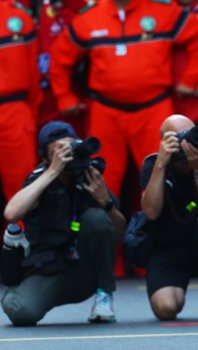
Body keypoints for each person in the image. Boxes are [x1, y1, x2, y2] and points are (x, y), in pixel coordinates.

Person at [49, 0, 198, 201]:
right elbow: (60, 58)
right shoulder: (89, 17)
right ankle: (109, 238)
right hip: (107, 112)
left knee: (161, 177)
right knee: (101, 178)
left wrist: (191, 79)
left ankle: (158, 239)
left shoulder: (161, 10)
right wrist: (65, 97)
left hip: (154, 109)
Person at [2, 122, 125, 325]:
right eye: (58, 152)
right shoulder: (40, 178)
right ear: (45, 158)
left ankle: (105, 296)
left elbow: (120, 233)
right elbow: (12, 213)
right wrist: (52, 171)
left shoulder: (88, 175)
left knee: (97, 217)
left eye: (70, 148)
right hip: (49, 271)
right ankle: (20, 292)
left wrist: (107, 203)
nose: (66, 156)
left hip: (85, 272)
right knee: (21, 311)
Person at [139, 115, 198, 320]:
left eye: (191, 133)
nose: (187, 141)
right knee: (166, 309)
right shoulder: (152, 164)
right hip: (167, 248)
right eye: (179, 137)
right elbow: (151, 212)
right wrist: (161, 165)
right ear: (165, 141)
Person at [0, 0, 40, 201]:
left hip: (14, 110)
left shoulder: (18, 17)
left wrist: (29, 115)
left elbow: (33, 76)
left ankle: (22, 234)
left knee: (22, 188)